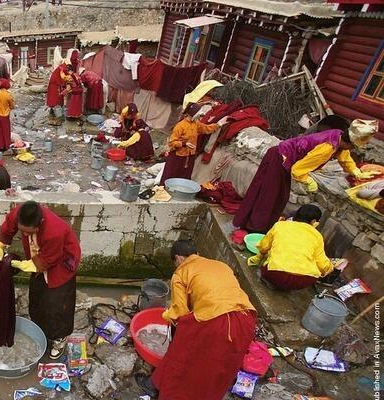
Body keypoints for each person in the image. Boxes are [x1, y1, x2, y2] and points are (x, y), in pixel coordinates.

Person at [136, 241, 257, 400]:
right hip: (246, 319)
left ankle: (156, 387)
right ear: (197, 253)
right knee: (219, 364)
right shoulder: (220, 265)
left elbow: (179, 312)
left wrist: (165, 316)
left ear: (178, 258)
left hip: (216, 322)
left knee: (183, 352)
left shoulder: (181, 273)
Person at [234, 119, 378, 233]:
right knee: (269, 196)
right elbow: (298, 169)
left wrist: (355, 171)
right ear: (350, 143)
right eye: (353, 148)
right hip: (280, 158)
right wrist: (308, 181)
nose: (352, 150)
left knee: (277, 196)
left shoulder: (339, 136)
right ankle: (254, 228)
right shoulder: (327, 148)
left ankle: (257, 224)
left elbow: (344, 158)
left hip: (282, 158)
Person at [0, 201, 81, 359]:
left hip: (61, 262)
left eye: (28, 232)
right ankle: (40, 326)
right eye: (22, 231)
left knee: (57, 302)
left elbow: (49, 259)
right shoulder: (20, 213)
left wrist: (27, 265)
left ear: (39, 224)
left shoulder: (55, 231)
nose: (24, 235)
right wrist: (0, 245)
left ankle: (59, 337)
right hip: (39, 257)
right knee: (38, 295)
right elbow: (9, 226)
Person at [247, 205, 334, 291]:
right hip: (304, 280)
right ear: (314, 221)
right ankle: (287, 287)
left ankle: (273, 282)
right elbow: (322, 265)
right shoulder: (317, 236)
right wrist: (331, 267)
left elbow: (264, 247)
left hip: (275, 274)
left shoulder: (280, 225)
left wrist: (259, 257)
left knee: (268, 265)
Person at [161, 102, 226, 184]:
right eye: (197, 114)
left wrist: (219, 124)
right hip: (178, 156)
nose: (199, 115)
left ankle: (180, 192)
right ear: (192, 114)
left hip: (190, 156)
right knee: (171, 175)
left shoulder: (196, 124)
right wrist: (184, 144)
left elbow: (206, 128)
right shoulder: (180, 126)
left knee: (184, 177)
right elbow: (172, 142)